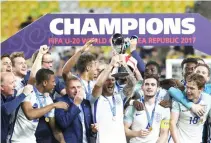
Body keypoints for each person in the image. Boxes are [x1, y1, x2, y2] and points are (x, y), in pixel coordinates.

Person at [8, 69, 68, 143]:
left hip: (32, 139)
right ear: (45, 83)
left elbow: (54, 129)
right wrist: (53, 105)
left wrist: (62, 141)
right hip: (16, 139)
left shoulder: (48, 100)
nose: (55, 84)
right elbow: (30, 115)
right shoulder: (26, 91)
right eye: (53, 82)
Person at [91, 55, 136, 143]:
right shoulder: (95, 99)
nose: (111, 82)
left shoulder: (119, 97)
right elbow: (98, 84)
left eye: (113, 80)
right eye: (107, 80)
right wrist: (111, 64)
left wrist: (124, 64)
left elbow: (132, 83)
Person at [124, 75, 170, 143]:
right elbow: (124, 129)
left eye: (153, 85)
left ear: (157, 88)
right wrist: (137, 133)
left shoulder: (164, 108)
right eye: (147, 84)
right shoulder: (133, 106)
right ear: (142, 87)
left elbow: (164, 133)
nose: (149, 87)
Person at [169, 73, 211, 143]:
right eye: (187, 87)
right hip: (179, 140)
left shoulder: (208, 99)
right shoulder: (179, 99)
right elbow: (172, 123)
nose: (188, 91)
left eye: (192, 88)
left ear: (201, 89)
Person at [55, 75, 97, 143]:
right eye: (73, 88)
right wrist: (75, 105)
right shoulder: (59, 102)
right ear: (66, 90)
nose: (77, 90)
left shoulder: (86, 103)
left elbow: (88, 129)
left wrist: (93, 131)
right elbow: (63, 123)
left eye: (78, 87)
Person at [1, 72, 33, 143]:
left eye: (14, 82)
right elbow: (5, 109)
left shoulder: (8, 96)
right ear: (1, 87)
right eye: (11, 83)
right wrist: (23, 94)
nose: (15, 85)